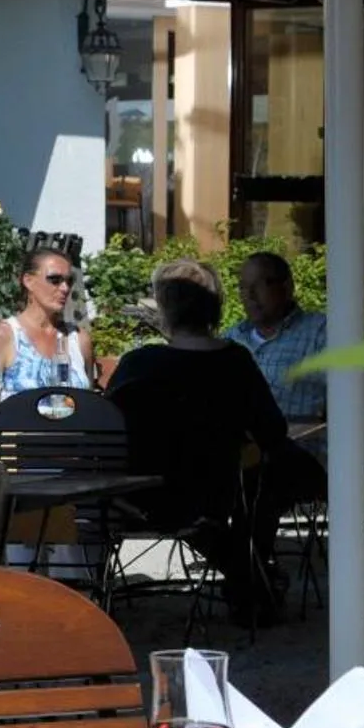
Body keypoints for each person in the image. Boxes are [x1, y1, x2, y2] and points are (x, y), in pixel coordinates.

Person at [110, 259, 322, 624]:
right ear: (216, 308)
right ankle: (252, 581)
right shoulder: (235, 362)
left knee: (230, 494)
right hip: (213, 495)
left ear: (164, 311)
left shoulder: (137, 364)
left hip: (136, 500)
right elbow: (272, 431)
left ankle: (250, 580)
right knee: (261, 483)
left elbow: (109, 430)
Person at [0, 246, 94, 399]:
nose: (65, 288)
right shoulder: (2, 336)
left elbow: (90, 402)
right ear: (28, 281)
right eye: (55, 280)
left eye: (69, 281)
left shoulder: (79, 339)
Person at [227, 250, 327, 424]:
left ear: (287, 287)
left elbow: (346, 401)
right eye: (243, 287)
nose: (249, 295)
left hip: (300, 439)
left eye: (260, 285)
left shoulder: (319, 332)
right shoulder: (231, 338)